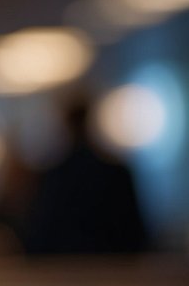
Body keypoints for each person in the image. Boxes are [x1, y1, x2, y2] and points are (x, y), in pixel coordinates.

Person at [20, 95, 147, 254]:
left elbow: (37, 236)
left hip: (62, 270)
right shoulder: (116, 172)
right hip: (112, 268)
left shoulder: (54, 176)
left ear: (67, 125)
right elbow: (136, 233)